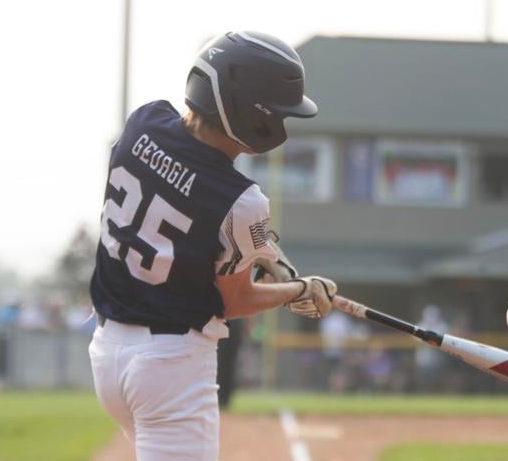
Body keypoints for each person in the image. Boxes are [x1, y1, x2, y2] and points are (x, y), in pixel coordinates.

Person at [88, 31, 337, 461]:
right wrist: (300, 289)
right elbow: (235, 301)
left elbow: (176, 205)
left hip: (108, 357)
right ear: (249, 113)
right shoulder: (241, 200)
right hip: (170, 367)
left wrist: (264, 253)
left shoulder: (142, 122)